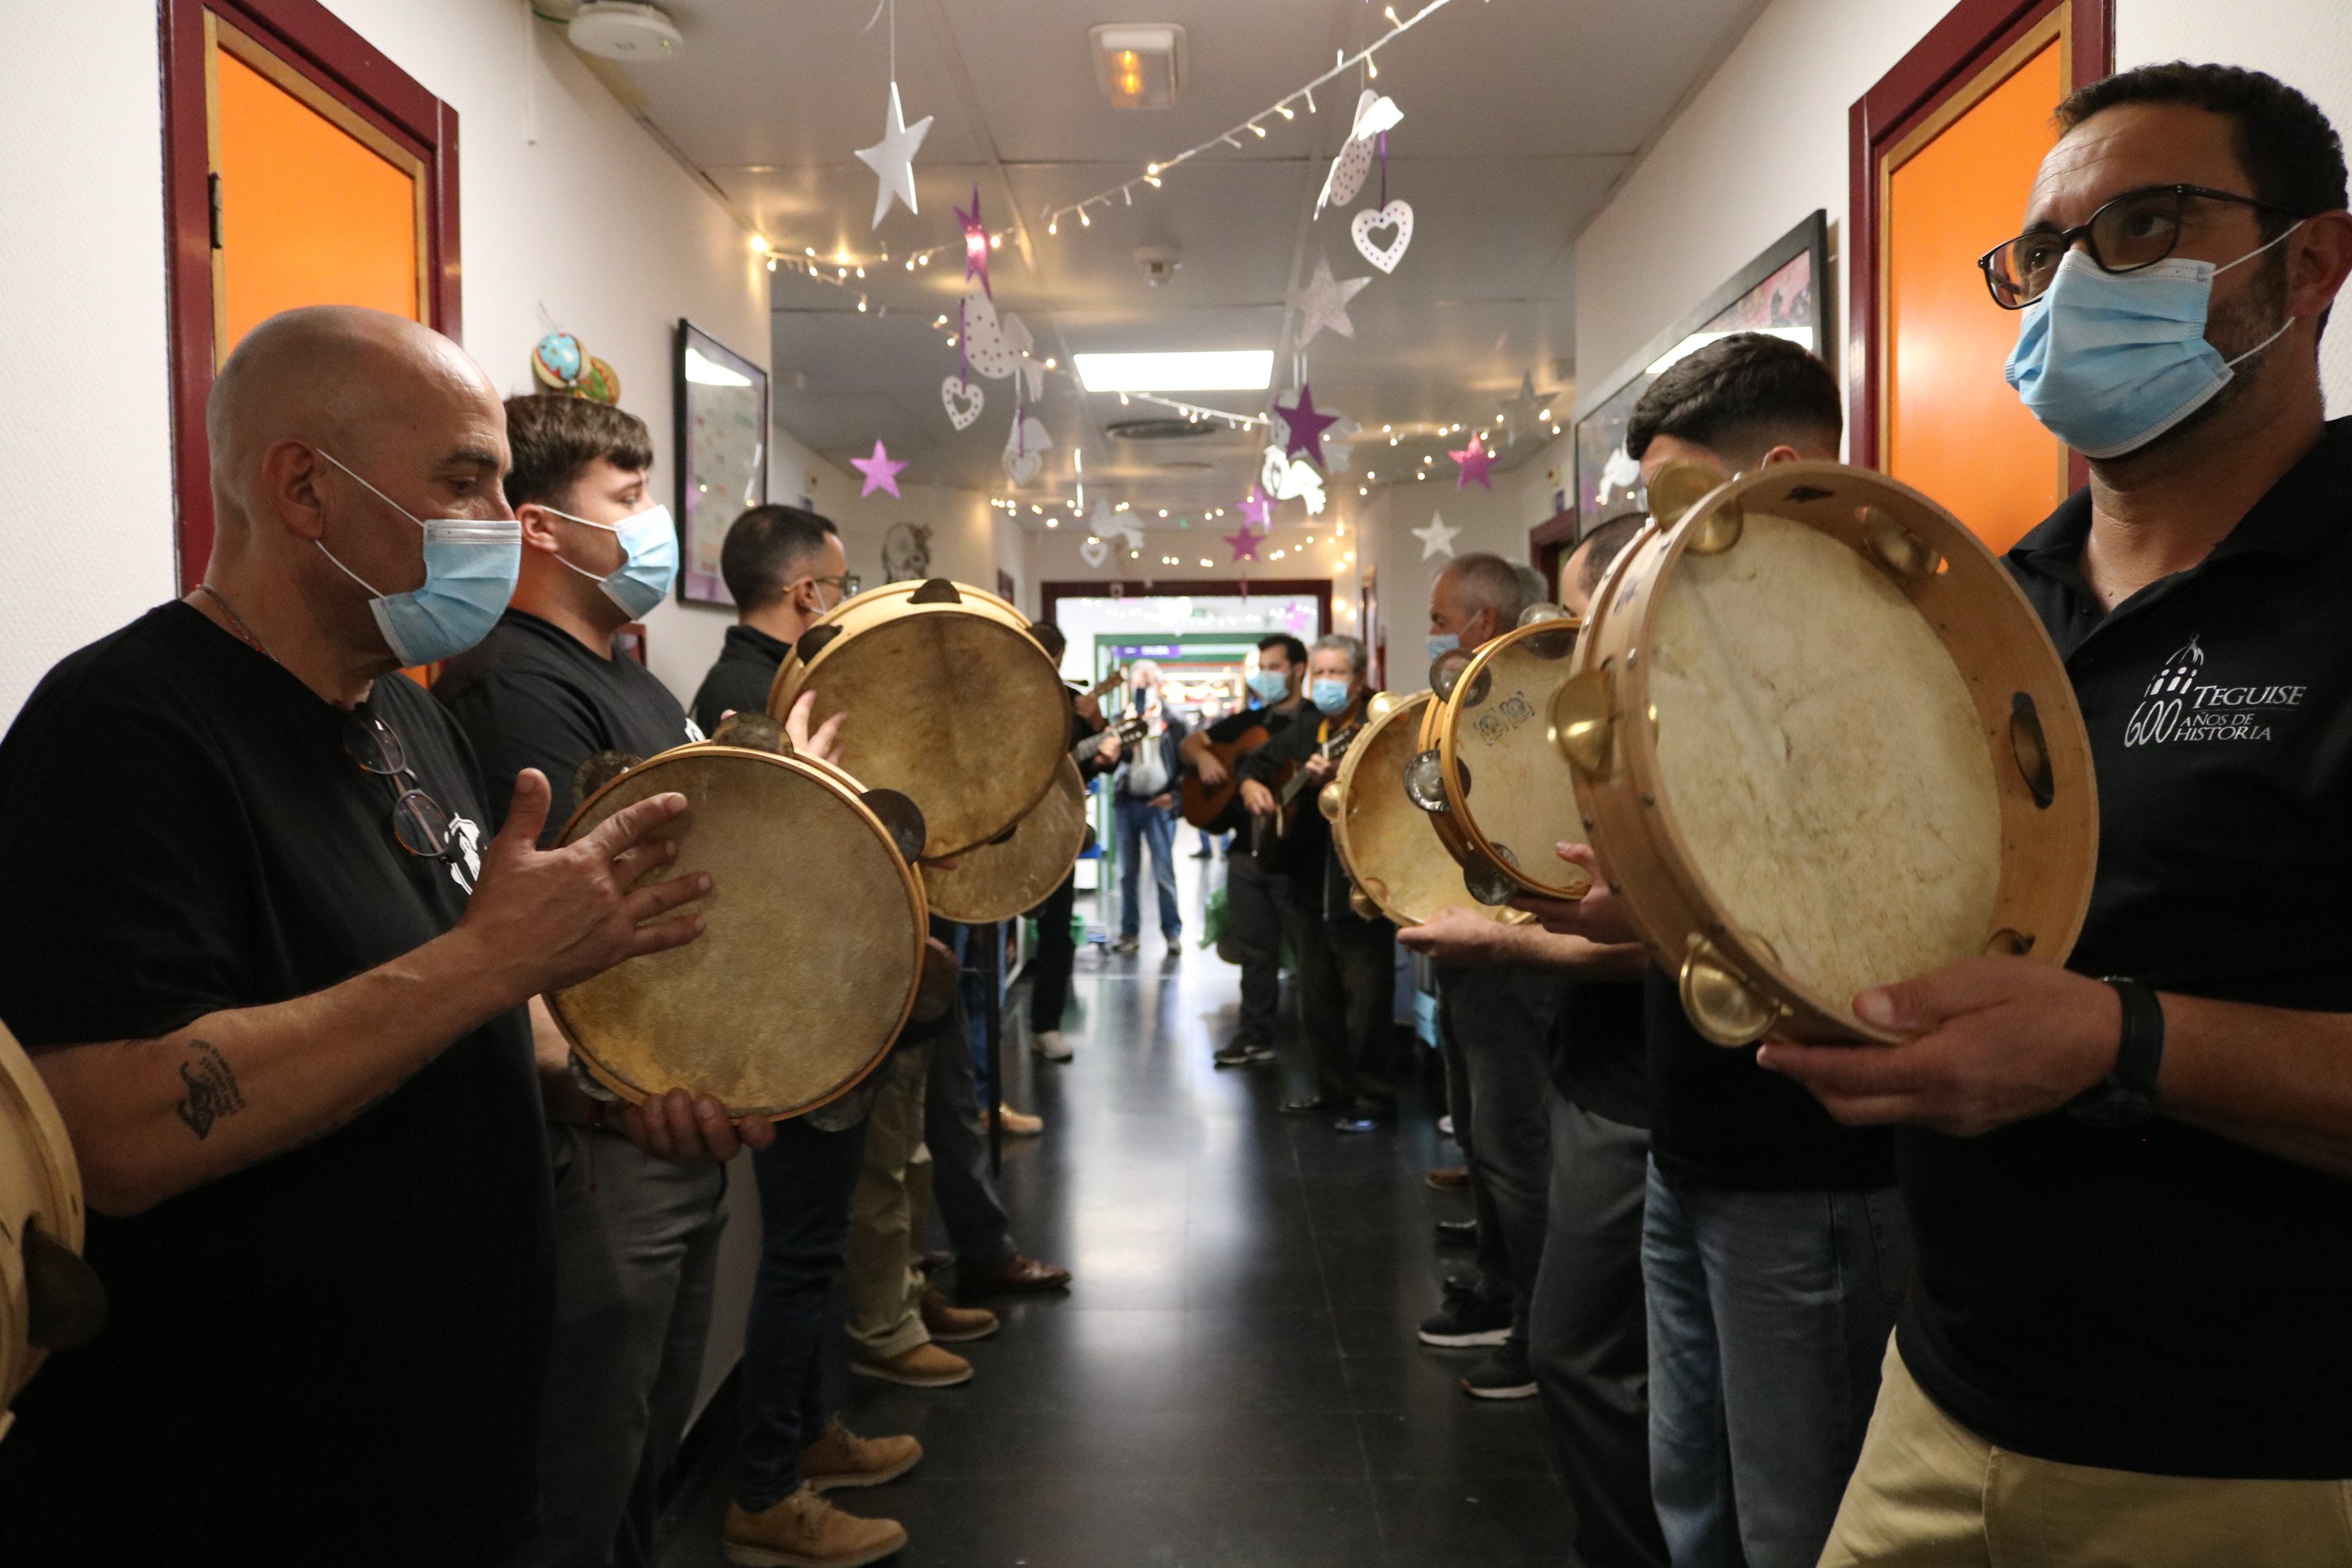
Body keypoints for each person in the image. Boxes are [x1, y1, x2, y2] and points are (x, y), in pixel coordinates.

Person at [0, 306, 708, 1566]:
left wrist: (605, 1086)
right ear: (306, 489)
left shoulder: (402, 715)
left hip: (448, 1453)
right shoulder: (121, 728)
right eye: (466, 483)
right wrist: (491, 960)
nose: (507, 524)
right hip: (251, 1483)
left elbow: (455, 1002)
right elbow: (110, 1130)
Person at [1766, 66, 2352, 1568]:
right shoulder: (1972, 607)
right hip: (1939, 1405)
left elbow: (2082, 1012)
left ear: (2309, 262)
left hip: (2261, 1466)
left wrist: (2116, 1036)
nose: (2080, 283)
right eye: (2047, 253)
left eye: (2146, 225)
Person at [1524, 332, 1913, 1568]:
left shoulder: (1876, 648)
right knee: (1695, 1500)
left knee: (1799, 1520)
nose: (1651, 545)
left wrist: (1649, 907)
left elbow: (1862, 907)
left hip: (1810, 1173)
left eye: (1673, 503)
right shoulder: (1700, 646)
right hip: (1690, 1142)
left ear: (1780, 469)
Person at [433, 394, 782, 1568]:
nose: (653, 528)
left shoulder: (632, 679)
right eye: (627, 503)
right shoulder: (508, 687)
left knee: (638, 1451)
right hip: (600, 1129)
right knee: (577, 1473)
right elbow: (576, 916)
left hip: (672, 1117)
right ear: (537, 527)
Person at [687, 503, 921, 1568]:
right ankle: (769, 1486)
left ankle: (810, 1432)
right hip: (797, 1011)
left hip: (821, 998)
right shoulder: (755, 696)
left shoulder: (763, 685)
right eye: (838, 578)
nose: (845, 593)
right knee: (801, 1252)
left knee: (813, 1250)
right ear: (806, 594)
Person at [1400, 552, 1567, 1401]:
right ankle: (1501, 1291)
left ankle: (1538, 1333)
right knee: (1479, 1133)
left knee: (1513, 1148)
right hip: (1475, 947)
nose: (1433, 627)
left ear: (1480, 621)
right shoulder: (1470, 699)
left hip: (1517, 949)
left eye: (1440, 614)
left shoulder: (1534, 701)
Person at [1239, 635, 1396, 1131]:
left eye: (1336, 674)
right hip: (1308, 881)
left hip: (1361, 886)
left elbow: (1397, 785)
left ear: (1358, 679)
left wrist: (1344, 777)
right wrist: (1250, 786)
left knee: (1367, 999)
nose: (1325, 683)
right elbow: (1255, 764)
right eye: (1319, 674)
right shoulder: (1309, 725)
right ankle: (1332, 1089)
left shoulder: (1379, 722)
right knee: (1317, 997)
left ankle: (1373, 1097)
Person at [1180, 632, 1311, 1069]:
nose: (1266, 675)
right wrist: (1203, 758)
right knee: (1255, 955)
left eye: (1275, 667)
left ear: (1298, 669)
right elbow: (1190, 742)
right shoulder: (1246, 723)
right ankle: (1256, 1036)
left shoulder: (1314, 724)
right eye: (1263, 667)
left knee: (1312, 957)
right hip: (1245, 854)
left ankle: (1323, 1047)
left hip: (1297, 858)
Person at [1023, 622, 1122, 1062]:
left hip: (1057, 829)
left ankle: (1046, 1024)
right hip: (996, 833)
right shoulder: (998, 693)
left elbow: (1092, 764)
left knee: (1057, 929)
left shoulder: (1071, 704)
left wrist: (1101, 742)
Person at [1110, 659, 1188, 956]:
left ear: (1159, 686)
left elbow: (1185, 768)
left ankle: (1172, 932)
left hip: (1159, 803)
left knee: (1163, 871)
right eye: (1138, 686)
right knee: (1127, 873)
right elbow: (1111, 764)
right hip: (1127, 802)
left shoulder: (1174, 723)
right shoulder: (1120, 719)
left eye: (1148, 685)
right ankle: (1129, 932)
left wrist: (1175, 797)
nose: (1143, 690)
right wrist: (1124, 735)